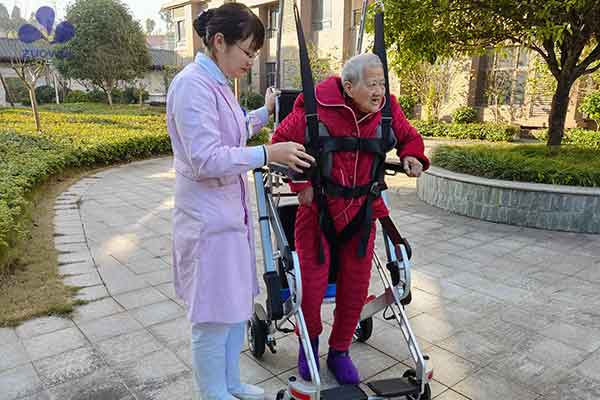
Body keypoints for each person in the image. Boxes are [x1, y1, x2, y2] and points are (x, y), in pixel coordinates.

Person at [166, 4, 315, 400]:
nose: (251, 61)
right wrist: (268, 154)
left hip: (229, 218)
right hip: (206, 222)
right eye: (247, 51)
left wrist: (264, 113)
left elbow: (233, 129)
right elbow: (205, 157)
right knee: (211, 316)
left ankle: (230, 382)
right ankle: (214, 392)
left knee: (234, 309)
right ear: (219, 42)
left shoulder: (218, 84)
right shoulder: (191, 85)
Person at [271, 53, 430, 385]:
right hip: (317, 217)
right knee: (311, 291)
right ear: (348, 86)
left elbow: (410, 138)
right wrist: (300, 185)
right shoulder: (313, 110)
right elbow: (280, 145)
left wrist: (412, 155)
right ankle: (309, 346)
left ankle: (340, 350)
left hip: (362, 216)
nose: (379, 91)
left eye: (382, 84)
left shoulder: (388, 111)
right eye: (372, 84)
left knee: (355, 290)